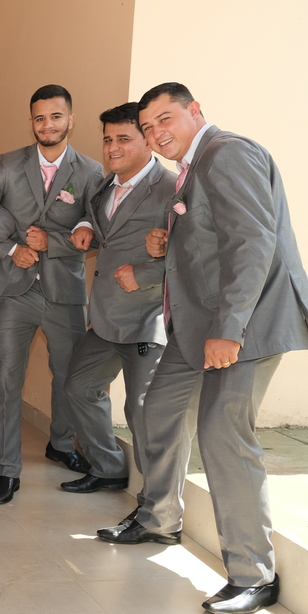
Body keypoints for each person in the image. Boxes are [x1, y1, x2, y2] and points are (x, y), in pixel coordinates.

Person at [98, 83, 308, 614]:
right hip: (198, 326)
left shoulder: (227, 152)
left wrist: (229, 329)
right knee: (157, 410)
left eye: (165, 119)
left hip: (242, 325)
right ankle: (159, 519)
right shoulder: (194, 165)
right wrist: (167, 244)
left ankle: (253, 574)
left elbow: (252, 241)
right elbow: (210, 244)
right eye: (148, 126)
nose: (157, 133)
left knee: (224, 434)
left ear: (195, 111)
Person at [0, 84, 102, 504]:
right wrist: (10, 249)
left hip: (65, 294)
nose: (48, 125)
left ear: (71, 119)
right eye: (40, 118)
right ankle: (7, 470)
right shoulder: (9, 165)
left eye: (56, 116)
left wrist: (54, 243)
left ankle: (61, 442)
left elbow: (98, 232)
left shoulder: (91, 172)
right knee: (7, 383)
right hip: (13, 293)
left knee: (68, 377)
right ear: (31, 122)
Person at [60, 103, 175, 496]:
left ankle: (156, 505)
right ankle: (108, 467)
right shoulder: (106, 185)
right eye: (108, 139)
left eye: (123, 139)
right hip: (106, 316)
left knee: (142, 413)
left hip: (148, 318)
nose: (112, 148)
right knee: (79, 387)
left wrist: (144, 274)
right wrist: (85, 224)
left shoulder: (172, 189)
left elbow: (195, 255)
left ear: (148, 141)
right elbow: (98, 220)